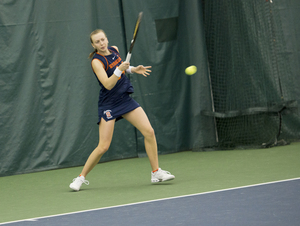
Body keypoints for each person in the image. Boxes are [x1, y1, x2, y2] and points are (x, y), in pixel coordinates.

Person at [69, 29, 175, 191]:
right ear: (93, 45)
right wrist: (120, 69)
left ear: (106, 39)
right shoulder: (96, 62)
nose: (102, 43)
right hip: (109, 104)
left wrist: (132, 69)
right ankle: (80, 178)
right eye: (97, 42)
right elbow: (108, 84)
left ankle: (156, 172)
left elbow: (122, 69)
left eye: (103, 39)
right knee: (103, 146)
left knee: (149, 132)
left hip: (125, 100)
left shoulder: (114, 50)